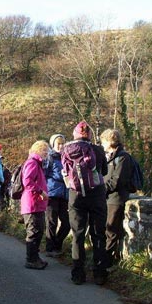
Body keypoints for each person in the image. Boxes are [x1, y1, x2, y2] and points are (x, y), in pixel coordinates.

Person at [62, 121, 110, 285]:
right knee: (98, 234)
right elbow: (104, 171)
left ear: (74, 135)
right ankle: (99, 274)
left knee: (78, 235)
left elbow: (64, 172)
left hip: (75, 196)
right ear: (89, 135)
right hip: (96, 195)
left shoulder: (66, 150)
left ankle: (78, 274)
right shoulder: (97, 149)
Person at [100, 128, 133, 266]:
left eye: (103, 141)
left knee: (111, 230)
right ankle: (102, 259)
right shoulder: (111, 156)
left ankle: (106, 262)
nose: (102, 144)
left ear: (109, 141)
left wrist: (101, 189)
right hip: (108, 198)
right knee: (105, 229)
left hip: (116, 199)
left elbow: (117, 180)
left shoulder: (123, 157)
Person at [20, 140, 50, 269]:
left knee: (38, 231)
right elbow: (27, 181)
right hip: (32, 203)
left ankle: (35, 257)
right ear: (37, 150)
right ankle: (31, 259)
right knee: (33, 232)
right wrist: (40, 191)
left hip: (36, 203)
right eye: (44, 150)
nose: (46, 154)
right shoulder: (32, 163)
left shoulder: (37, 164)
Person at [44, 134, 70, 257]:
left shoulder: (67, 157)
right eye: (58, 143)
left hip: (64, 194)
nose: (61, 146)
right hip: (52, 193)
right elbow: (43, 176)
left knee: (67, 223)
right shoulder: (49, 158)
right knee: (51, 222)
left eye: (62, 143)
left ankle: (57, 245)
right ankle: (49, 248)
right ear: (53, 144)